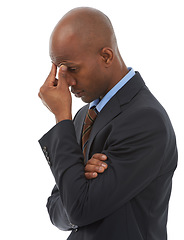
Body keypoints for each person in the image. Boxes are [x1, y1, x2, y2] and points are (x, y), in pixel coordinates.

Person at [38, 7, 178, 240]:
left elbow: (78, 209)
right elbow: (55, 210)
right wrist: (79, 181)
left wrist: (62, 117)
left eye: (72, 69)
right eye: (60, 71)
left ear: (106, 56)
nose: (67, 82)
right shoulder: (84, 116)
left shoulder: (146, 120)